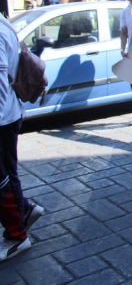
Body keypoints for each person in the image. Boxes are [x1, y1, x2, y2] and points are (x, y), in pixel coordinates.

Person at [0, 14, 45, 262]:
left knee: (2, 178)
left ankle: (17, 236)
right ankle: (24, 210)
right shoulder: (3, 22)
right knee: (8, 173)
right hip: (9, 114)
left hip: (3, 118)